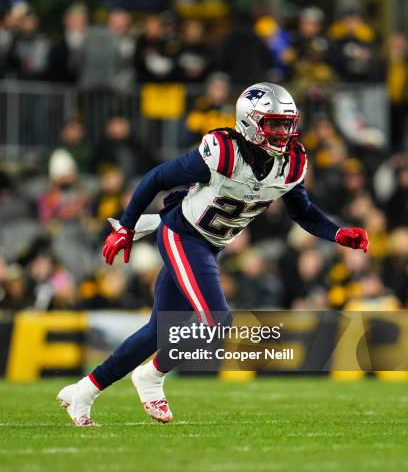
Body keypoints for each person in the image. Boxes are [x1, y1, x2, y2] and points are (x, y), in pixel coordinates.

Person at [57, 82, 369, 427]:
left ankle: (84, 390)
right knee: (217, 321)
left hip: (209, 245)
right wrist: (126, 227)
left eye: (287, 123)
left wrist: (338, 233)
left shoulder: (292, 162)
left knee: (159, 331)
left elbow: (303, 212)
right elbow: (157, 178)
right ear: (250, 122)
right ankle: (153, 376)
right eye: (274, 123)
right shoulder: (223, 151)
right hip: (183, 235)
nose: (283, 132)